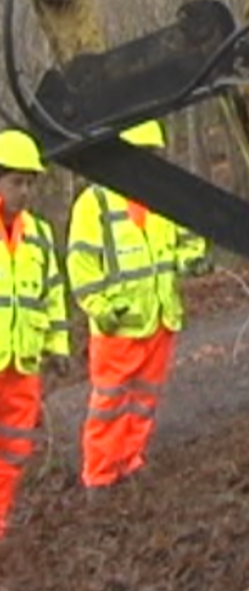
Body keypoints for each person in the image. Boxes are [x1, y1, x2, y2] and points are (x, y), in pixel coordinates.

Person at [66, 119, 208, 501]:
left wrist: (193, 259)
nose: (148, 163)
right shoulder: (94, 204)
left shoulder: (162, 198)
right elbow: (82, 268)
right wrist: (102, 308)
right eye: (141, 155)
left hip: (160, 316)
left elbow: (186, 243)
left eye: (153, 156)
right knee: (109, 401)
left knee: (146, 398)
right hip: (119, 324)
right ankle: (99, 474)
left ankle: (130, 459)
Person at [0, 129, 69, 540]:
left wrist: (57, 346)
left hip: (23, 362)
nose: (24, 191)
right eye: (15, 182)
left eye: (29, 183)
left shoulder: (38, 234)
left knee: (15, 449)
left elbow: (52, 293)